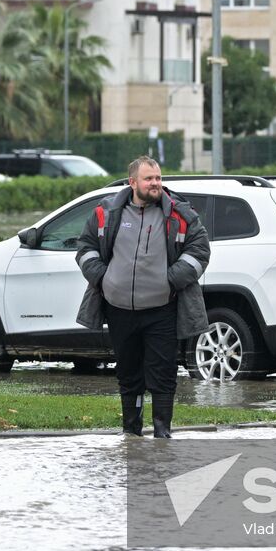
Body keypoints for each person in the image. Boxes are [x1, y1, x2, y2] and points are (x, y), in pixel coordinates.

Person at [75, 155, 210, 438]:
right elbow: (85, 246)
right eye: (149, 179)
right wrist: (102, 277)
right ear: (132, 182)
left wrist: (170, 281)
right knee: (128, 374)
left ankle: (162, 434)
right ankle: (131, 434)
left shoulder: (180, 214)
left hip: (162, 309)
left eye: (158, 178)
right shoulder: (106, 213)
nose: (155, 184)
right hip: (119, 309)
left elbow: (200, 251)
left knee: (162, 374)